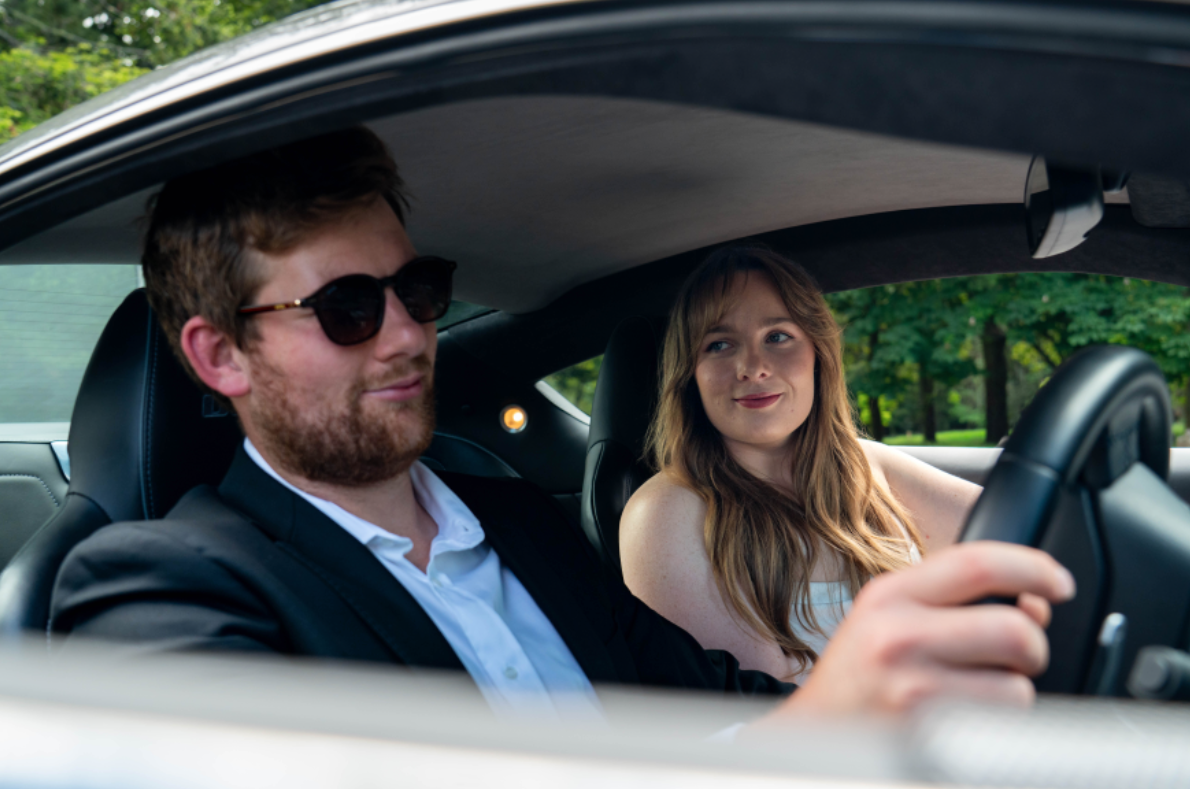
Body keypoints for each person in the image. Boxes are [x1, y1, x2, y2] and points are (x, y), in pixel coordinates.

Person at [49, 128, 1073, 725]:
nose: (406, 335)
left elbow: (701, 703)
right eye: (347, 308)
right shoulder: (159, 585)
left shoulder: (521, 525)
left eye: (418, 290)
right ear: (220, 356)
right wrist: (810, 732)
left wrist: (886, 708)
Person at [620, 247, 983, 685]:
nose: (752, 367)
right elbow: (767, 703)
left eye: (777, 337)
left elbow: (1029, 534)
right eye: (719, 345)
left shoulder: (868, 466)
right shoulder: (666, 512)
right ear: (690, 375)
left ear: (818, 352)